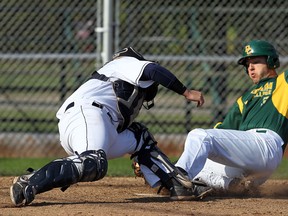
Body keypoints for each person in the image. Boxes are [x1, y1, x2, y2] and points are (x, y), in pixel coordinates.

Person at [10, 47, 205, 206]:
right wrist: (186, 92)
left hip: (102, 126)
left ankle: (175, 185)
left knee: (140, 138)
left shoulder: (116, 75)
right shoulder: (125, 63)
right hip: (87, 114)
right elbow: (152, 70)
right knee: (95, 162)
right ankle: (30, 182)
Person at [175, 40, 288, 195]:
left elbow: (206, 138)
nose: (251, 68)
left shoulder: (283, 82)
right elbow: (222, 131)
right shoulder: (244, 99)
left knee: (199, 135)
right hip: (247, 154)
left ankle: (176, 180)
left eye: (256, 62)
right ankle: (233, 185)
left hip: (267, 145)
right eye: (247, 65)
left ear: (271, 61)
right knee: (200, 165)